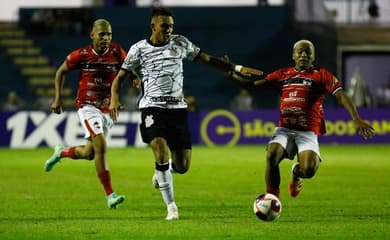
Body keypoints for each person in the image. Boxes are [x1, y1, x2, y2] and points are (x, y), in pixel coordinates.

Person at [109, 7, 262, 220]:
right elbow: (119, 78)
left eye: (171, 27)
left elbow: (207, 59)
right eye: (164, 27)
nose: (169, 30)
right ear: (153, 26)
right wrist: (114, 97)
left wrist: (234, 67)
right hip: (152, 107)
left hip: (178, 110)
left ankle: (164, 171)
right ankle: (171, 207)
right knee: (160, 149)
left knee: (182, 166)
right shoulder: (138, 49)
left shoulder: (180, 43)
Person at [228, 39, 375, 199]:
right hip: (285, 129)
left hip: (307, 132)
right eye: (300, 52)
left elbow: (341, 95)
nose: (304, 55)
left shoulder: (322, 75)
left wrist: (356, 119)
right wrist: (230, 73)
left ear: (313, 56)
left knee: (308, 171)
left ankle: (296, 172)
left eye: (308, 52)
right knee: (271, 154)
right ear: (293, 55)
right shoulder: (281, 75)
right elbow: (251, 86)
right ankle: (272, 198)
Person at [44, 19, 128, 209]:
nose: (106, 38)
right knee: (101, 145)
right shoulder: (81, 55)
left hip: (107, 108)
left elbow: (127, 69)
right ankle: (110, 195)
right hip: (87, 105)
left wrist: (135, 78)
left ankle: (62, 152)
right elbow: (60, 72)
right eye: (102, 34)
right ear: (92, 35)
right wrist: (58, 98)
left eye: (109, 34)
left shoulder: (116, 52)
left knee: (90, 153)